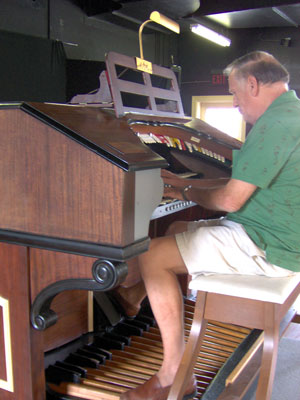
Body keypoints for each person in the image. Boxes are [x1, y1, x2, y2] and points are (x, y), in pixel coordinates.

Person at [116, 51, 300, 400]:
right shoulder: (291, 115)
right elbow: (241, 189)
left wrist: (184, 187)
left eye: (234, 93)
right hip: (277, 234)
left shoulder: (275, 126)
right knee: (174, 229)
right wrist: (186, 187)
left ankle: (174, 374)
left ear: (253, 83)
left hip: (271, 247)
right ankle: (135, 297)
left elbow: (231, 200)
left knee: (153, 254)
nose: (234, 103)